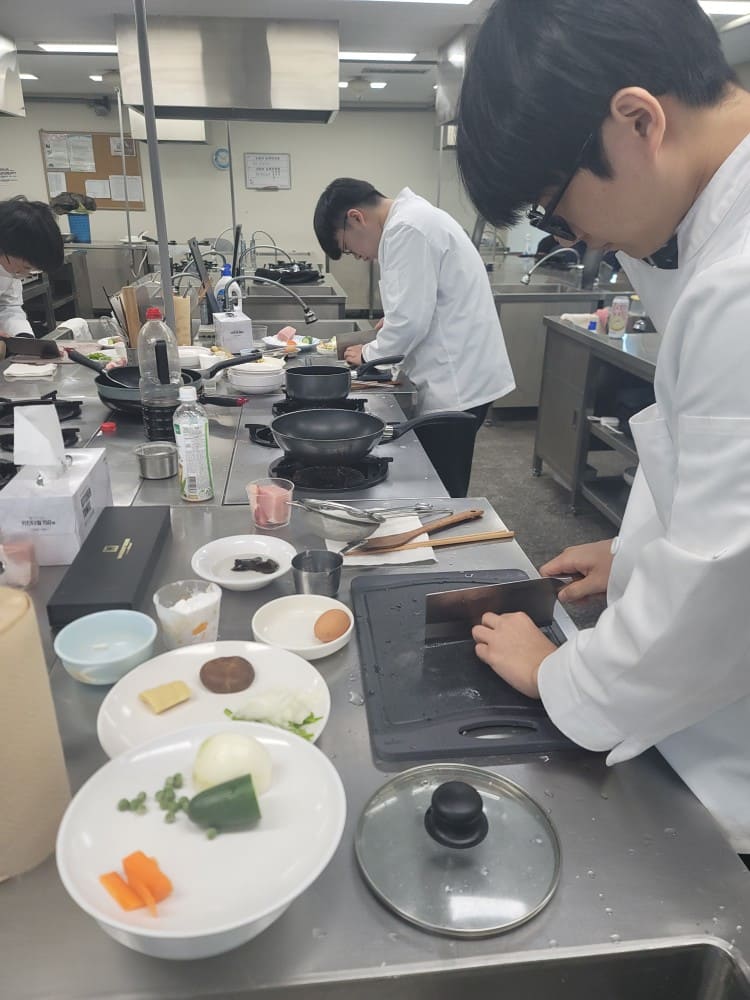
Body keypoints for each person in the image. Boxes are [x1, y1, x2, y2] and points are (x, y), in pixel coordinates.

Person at [456, 0, 750, 856]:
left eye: (555, 211)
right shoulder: (713, 232)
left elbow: (723, 588)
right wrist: (634, 555)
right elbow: (724, 488)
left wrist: (561, 674)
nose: (575, 238)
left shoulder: (739, 282)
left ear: (637, 120)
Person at [313, 178, 515, 497]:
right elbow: (421, 305)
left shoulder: (406, 229)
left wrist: (367, 354)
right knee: (441, 478)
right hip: (463, 372)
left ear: (356, 217)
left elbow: (410, 322)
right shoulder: (415, 219)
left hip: (455, 381)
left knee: (442, 488)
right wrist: (394, 319)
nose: (359, 256)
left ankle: (442, 528)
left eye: (349, 248)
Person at [0, 196, 64, 345]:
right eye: (26, 267)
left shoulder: (9, 268)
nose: (24, 274)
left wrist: (23, 337)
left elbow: (8, 306)